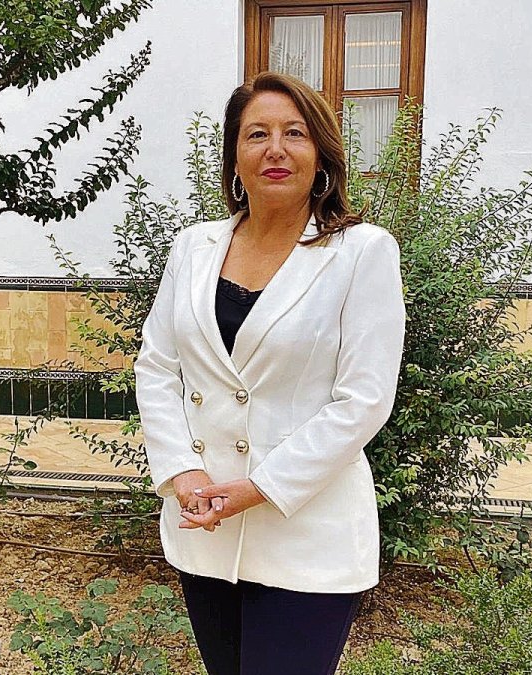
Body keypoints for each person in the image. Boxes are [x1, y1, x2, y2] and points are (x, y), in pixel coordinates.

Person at [133, 70, 406, 675]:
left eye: (295, 134)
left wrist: (258, 488)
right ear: (234, 155)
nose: (275, 149)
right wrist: (182, 469)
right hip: (204, 525)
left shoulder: (362, 252)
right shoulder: (193, 247)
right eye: (256, 134)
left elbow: (361, 401)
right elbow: (157, 366)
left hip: (308, 530)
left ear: (322, 156)